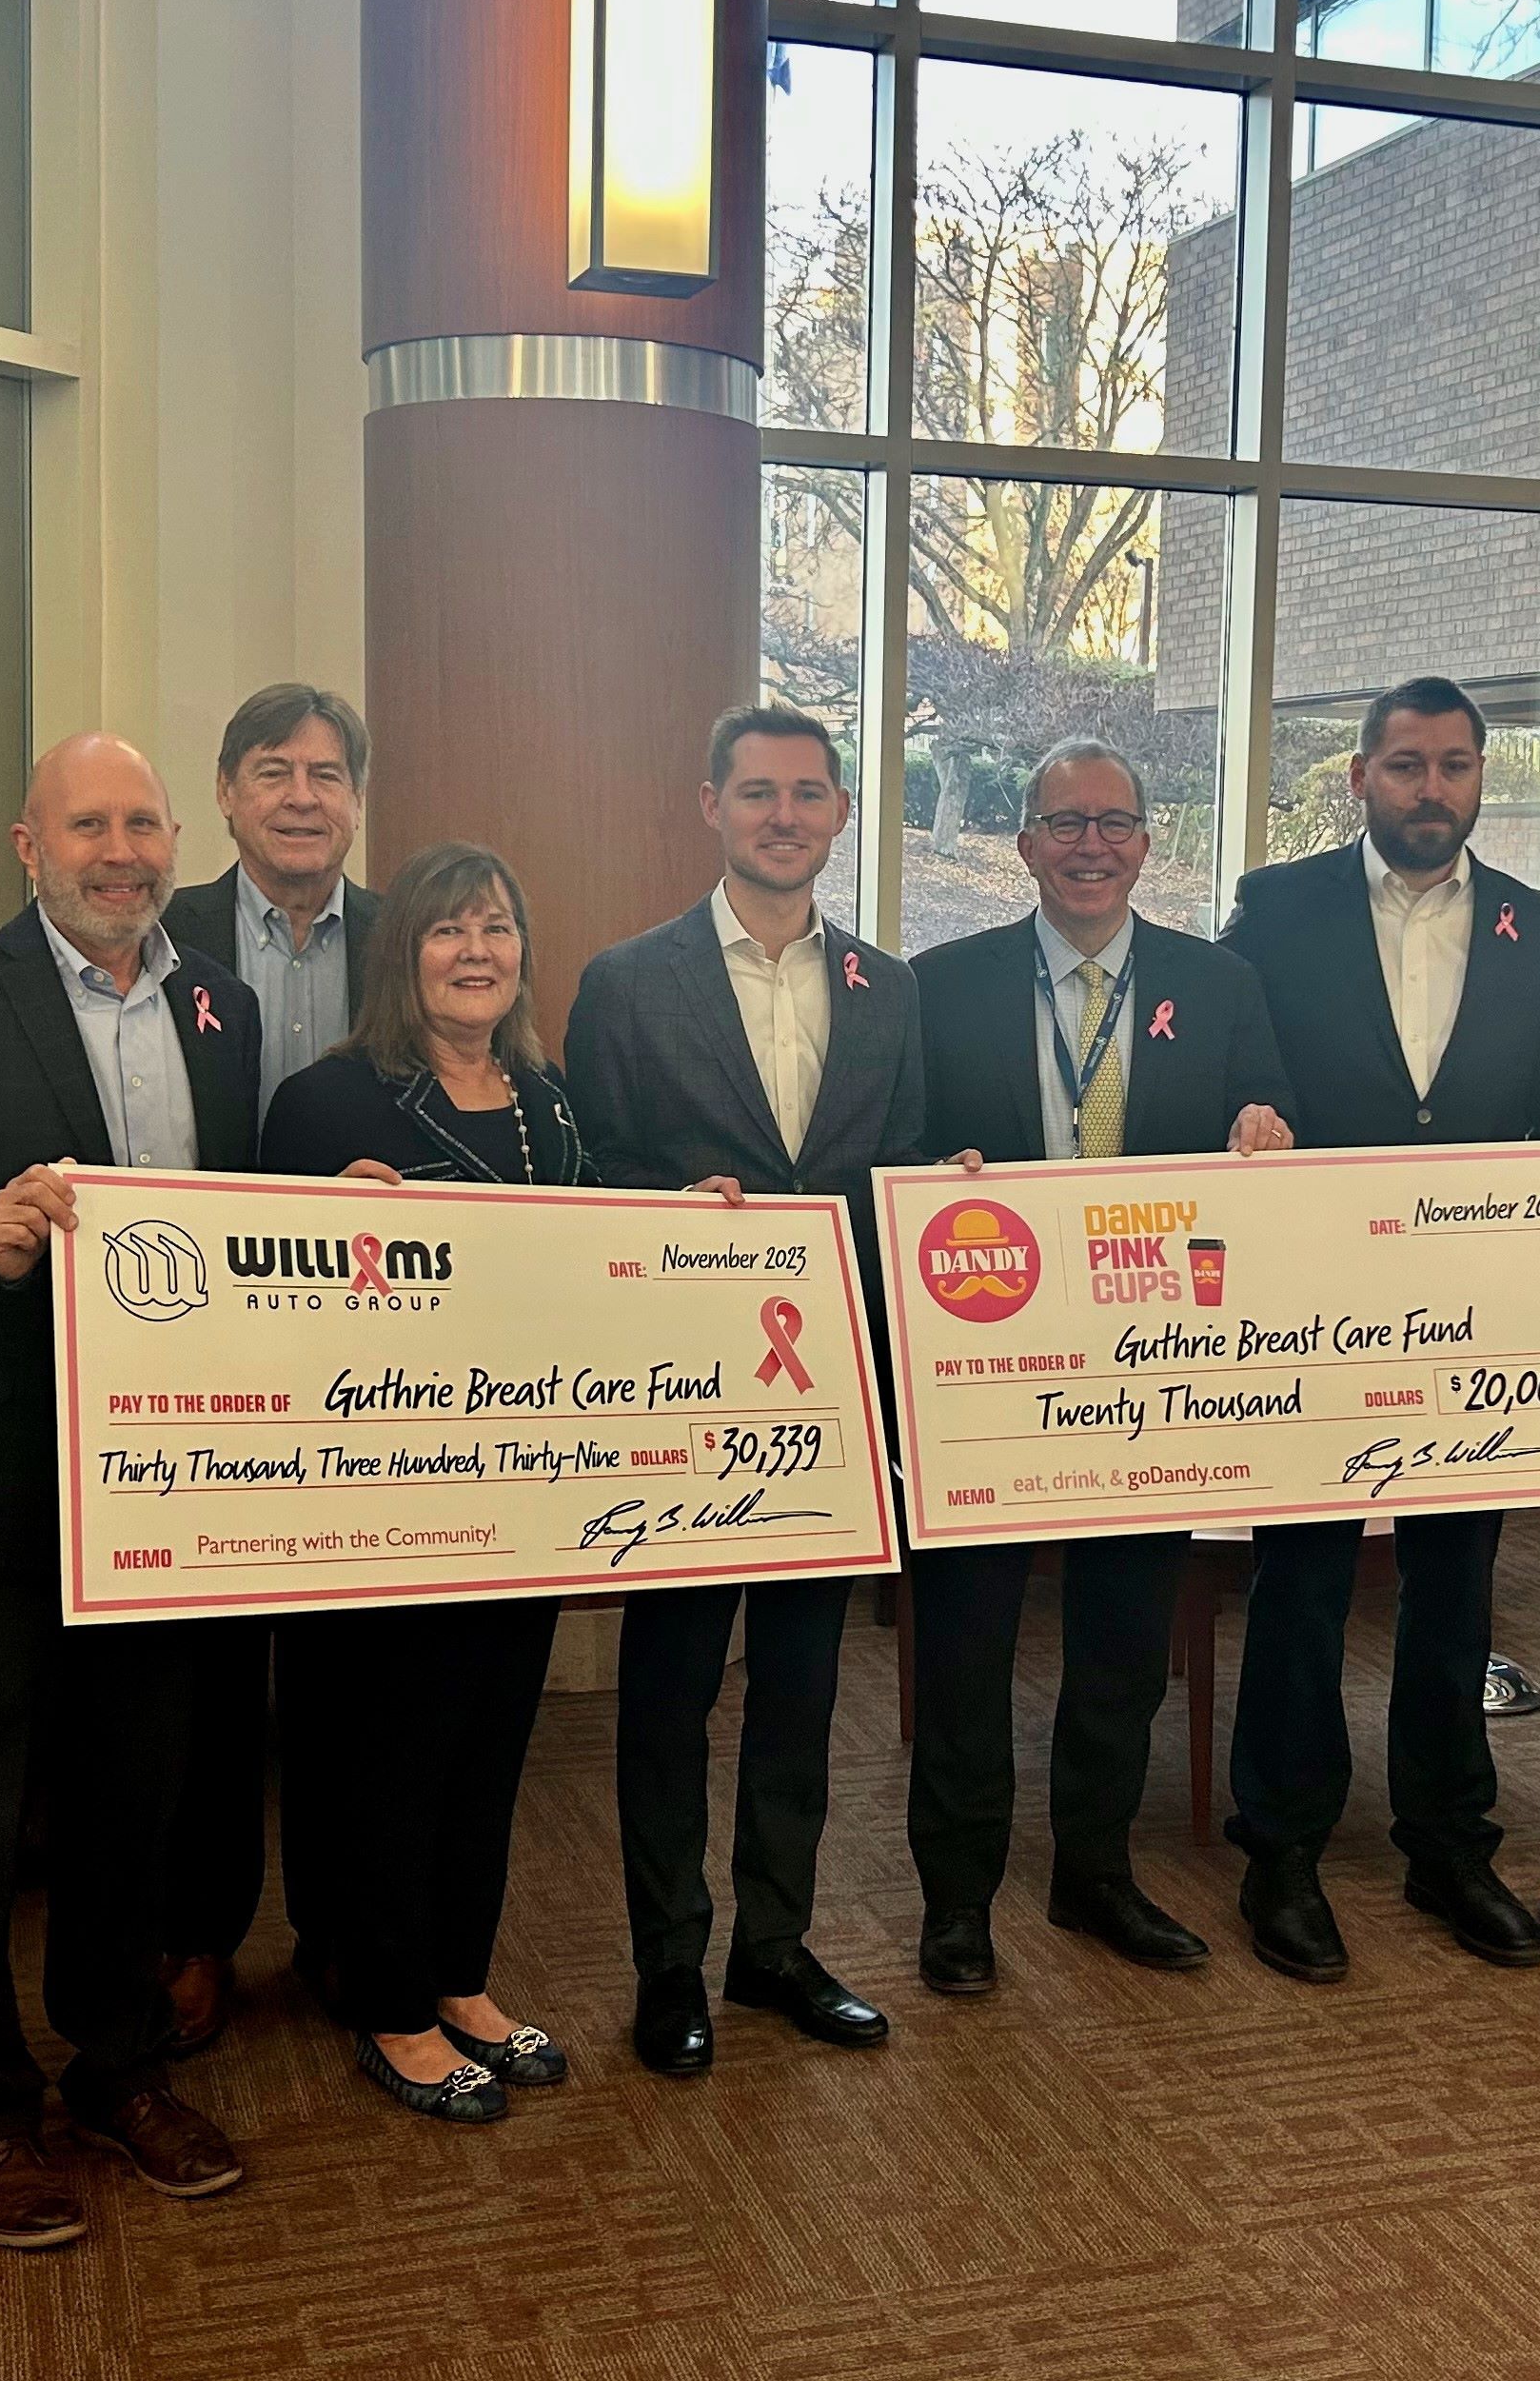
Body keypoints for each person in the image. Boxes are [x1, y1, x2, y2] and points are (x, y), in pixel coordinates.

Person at [0, 734, 263, 2248]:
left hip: (158, 1483)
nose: (121, 851)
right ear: (30, 845)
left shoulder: (222, 1008)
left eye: (143, 823)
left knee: (130, 1798)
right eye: (89, 823)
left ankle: (118, 2066)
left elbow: (231, 1226)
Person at [1216, 677, 1540, 1981]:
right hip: (1315, 1303)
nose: (1431, 788)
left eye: (1455, 765)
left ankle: (1449, 1839)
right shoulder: (1277, 908)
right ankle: (1281, 1843)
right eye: (1406, 764)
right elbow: (1238, 1059)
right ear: (1360, 776)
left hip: (1474, 1311)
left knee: (1456, 1581)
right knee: (1304, 1578)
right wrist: (1250, 1113)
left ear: (1481, 777)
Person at [565, 704, 925, 2076]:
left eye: (809, 795)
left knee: (801, 1686)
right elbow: (589, 1174)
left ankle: (775, 1944)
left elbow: (898, 1166)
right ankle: (668, 1960)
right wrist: (665, 1207)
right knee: (668, 1691)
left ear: (840, 815)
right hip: (682, 1397)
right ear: (709, 805)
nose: (785, 816)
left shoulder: (891, 988)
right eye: (758, 792)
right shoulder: (626, 981)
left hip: (832, 1398)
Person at [906, 741, 1296, 1995]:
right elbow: (895, 1148)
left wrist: (1264, 1129)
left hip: (1143, 1375)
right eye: (1064, 823)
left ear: (1146, 842)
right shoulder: (938, 985)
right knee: (965, 1644)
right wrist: (930, 1181)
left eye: (1114, 823)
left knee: (1125, 1641)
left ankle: (1094, 1871)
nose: (1090, 845)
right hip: (989, 1368)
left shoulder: (1220, 984)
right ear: (1023, 843)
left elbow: (1268, 1115)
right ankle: (957, 1900)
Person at [262, 844, 581, 2123]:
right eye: (448, 929)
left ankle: (460, 1977)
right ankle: (391, 2005)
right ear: (403, 953)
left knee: (490, 1741)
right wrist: (325, 1222)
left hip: (521, 1483)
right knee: (392, 1745)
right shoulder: (326, 1102)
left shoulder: (549, 1102)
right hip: (381, 1491)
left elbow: (586, 1264)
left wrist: (698, 1230)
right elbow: (267, 1293)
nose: (475, 951)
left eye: (496, 927)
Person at [150, 682, 383, 2054]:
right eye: (274, 770)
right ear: (228, 794)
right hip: (207, 1354)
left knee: (353, 1667)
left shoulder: (410, 938)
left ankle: (343, 1927)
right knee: (211, 1675)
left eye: (328, 773)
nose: (303, 796)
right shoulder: (155, 930)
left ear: (357, 798)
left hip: (369, 1357)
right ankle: (197, 1932)